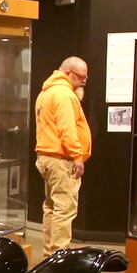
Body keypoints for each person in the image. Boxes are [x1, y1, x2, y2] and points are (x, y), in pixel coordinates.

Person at [34, 56, 92, 254]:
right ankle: (60, 255)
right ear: (68, 74)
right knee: (65, 209)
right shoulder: (64, 95)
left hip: (47, 157)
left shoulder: (47, 92)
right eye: (81, 77)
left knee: (52, 206)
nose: (84, 81)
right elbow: (67, 129)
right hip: (61, 160)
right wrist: (77, 157)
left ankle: (51, 253)